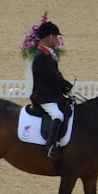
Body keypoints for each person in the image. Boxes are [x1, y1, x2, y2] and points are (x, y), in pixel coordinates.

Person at [27, 20, 73, 164]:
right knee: (58, 115)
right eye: (56, 36)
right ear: (48, 37)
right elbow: (52, 76)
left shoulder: (47, 54)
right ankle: (49, 145)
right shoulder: (41, 56)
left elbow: (55, 75)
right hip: (44, 97)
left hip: (52, 95)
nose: (58, 40)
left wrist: (65, 86)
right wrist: (65, 85)